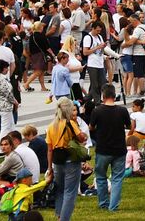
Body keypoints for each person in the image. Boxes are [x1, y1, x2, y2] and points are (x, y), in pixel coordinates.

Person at [91, 83, 133, 211]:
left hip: (103, 149)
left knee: (101, 177)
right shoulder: (122, 110)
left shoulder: (97, 111)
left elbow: (91, 127)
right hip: (119, 149)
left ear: (103, 96)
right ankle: (113, 206)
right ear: (114, 96)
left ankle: (103, 203)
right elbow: (129, 126)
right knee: (117, 178)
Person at [45, 98, 88, 221]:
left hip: (57, 160)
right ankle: (64, 219)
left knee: (59, 190)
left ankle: (59, 215)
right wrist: (83, 135)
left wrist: (49, 167)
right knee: (70, 191)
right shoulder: (70, 123)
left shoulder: (51, 126)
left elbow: (49, 149)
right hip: (71, 159)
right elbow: (81, 138)